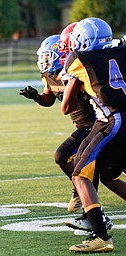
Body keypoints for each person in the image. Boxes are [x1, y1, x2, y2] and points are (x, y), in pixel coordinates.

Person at [61, 17, 126, 253]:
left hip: (113, 119)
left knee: (80, 174)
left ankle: (100, 236)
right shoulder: (122, 50)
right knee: (108, 171)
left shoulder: (78, 60)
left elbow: (66, 107)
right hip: (118, 118)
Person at [19, 34, 95, 213]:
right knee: (109, 168)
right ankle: (81, 190)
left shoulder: (74, 72)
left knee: (65, 157)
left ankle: (82, 192)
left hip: (96, 123)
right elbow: (49, 99)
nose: (44, 60)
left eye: (47, 56)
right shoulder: (50, 75)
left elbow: (70, 106)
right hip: (83, 125)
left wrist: (69, 80)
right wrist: (36, 97)